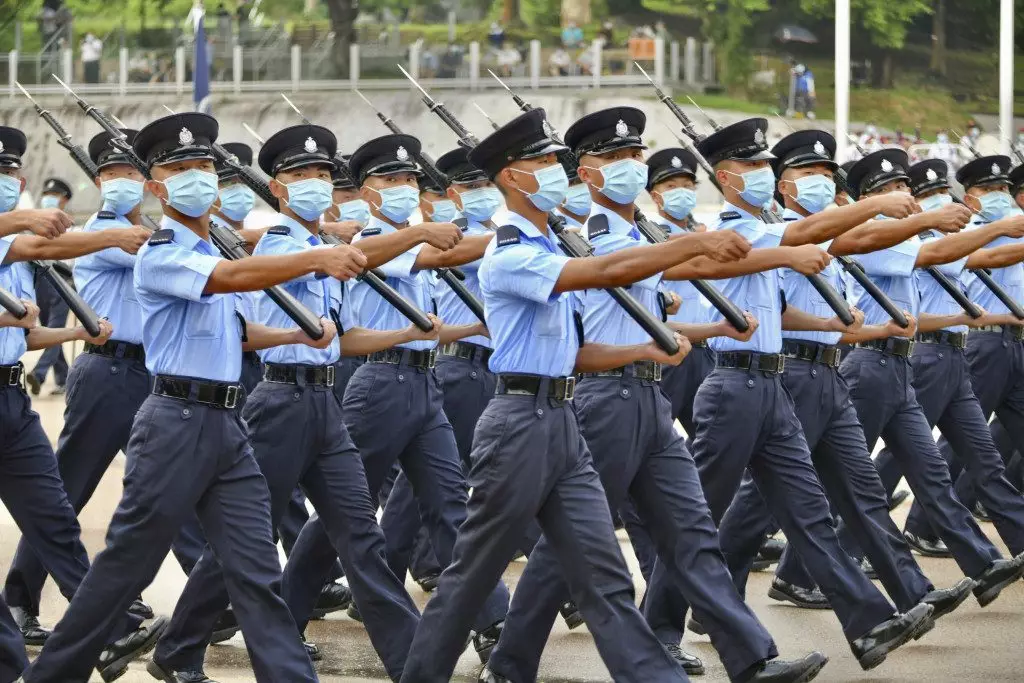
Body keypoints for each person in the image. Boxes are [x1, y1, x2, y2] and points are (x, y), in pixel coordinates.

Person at [397, 106, 752, 683]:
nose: (554, 172)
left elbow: (584, 331)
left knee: (603, 574)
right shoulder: (510, 253)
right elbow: (603, 273)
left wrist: (650, 336)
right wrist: (692, 246)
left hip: (562, 417)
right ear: (511, 177)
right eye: (541, 162)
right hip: (517, 422)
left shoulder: (552, 244)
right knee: (474, 572)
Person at [15, 111, 367, 683]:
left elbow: (238, 326)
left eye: (204, 164)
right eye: (180, 169)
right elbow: (230, 280)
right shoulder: (160, 252)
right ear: (157, 189)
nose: (197, 176)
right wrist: (316, 256)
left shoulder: (217, 250)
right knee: (124, 566)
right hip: (174, 421)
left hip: (228, 425)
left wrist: (296, 332)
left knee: (256, 572)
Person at [482, 107, 826, 683]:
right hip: (603, 401)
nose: (631, 165)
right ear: (587, 173)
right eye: (615, 157)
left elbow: (670, 281)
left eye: (635, 154)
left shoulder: (637, 233)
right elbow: (617, 274)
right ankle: (510, 664)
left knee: (692, 532)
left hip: (648, 396)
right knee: (569, 549)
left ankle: (751, 658)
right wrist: (703, 249)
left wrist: (694, 316)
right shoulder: (594, 235)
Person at [149, 123, 446, 682]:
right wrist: (406, 237)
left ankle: (415, 664)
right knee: (249, 537)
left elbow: (339, 339)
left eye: (322, 173)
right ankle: (180, 645)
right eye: (300, 174)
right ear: (278, 189)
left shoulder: (321, 252)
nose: (315, 181)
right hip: (280, 403)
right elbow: (325, 266)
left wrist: (407, 334)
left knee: (361, 537)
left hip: (325, 403)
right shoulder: (284, 246)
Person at [684, 118, 933, 672]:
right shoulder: (736, 230)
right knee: (697, 522)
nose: (761, 172)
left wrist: (838, 325)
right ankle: (663, 627)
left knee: (812, 512)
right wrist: (874, 207)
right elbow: (803, 237)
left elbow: (778, 311)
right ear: (725, 178)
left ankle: (869, 623)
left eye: (764, 164)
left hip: (778, 381)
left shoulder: (768, 230)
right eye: (751, 165)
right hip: (735, 385)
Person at [277, 133, 512, 664]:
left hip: (424, 384)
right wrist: (506, 237)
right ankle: (285, 616)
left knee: (451, 505)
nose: (404, 186)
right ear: (367, 193)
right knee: (343, 513)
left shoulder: (404, 241)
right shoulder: (374, 240)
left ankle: (493, 619)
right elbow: (384, 256)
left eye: (409, 178)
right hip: (380, 386)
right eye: (391, 179)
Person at [0, 125, 169, 683]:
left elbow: (25, 330)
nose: (5, 181)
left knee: (55, 515)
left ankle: (107, 627)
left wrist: (71, 332)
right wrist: (105, 235)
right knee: (69, 497)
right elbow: (40, 245)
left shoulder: (18, 247)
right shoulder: (51, 236)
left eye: (8, 172)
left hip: (16, 398)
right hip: (100, 377)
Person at [831, 148, 1024, 603]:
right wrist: (994, 228)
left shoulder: (910, 237)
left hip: (912, 359)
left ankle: (984, 563)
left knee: (943, 468)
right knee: (857, 477)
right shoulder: (874, 238)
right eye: (891, 188)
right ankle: (806, 569)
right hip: (879, 361)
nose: (905, 194)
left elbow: (949, 255)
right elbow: (940, 253)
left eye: (904, 185)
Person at [26, 178, 74, 396]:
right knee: (51, 333)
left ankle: (39, 373)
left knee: (55, 330)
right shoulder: (37, 228)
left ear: (64, 200)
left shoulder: (73, 227)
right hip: (42, 283)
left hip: (63, 284)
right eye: (46, 195)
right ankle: (64, 378)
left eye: (54, 196)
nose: (49, 199)